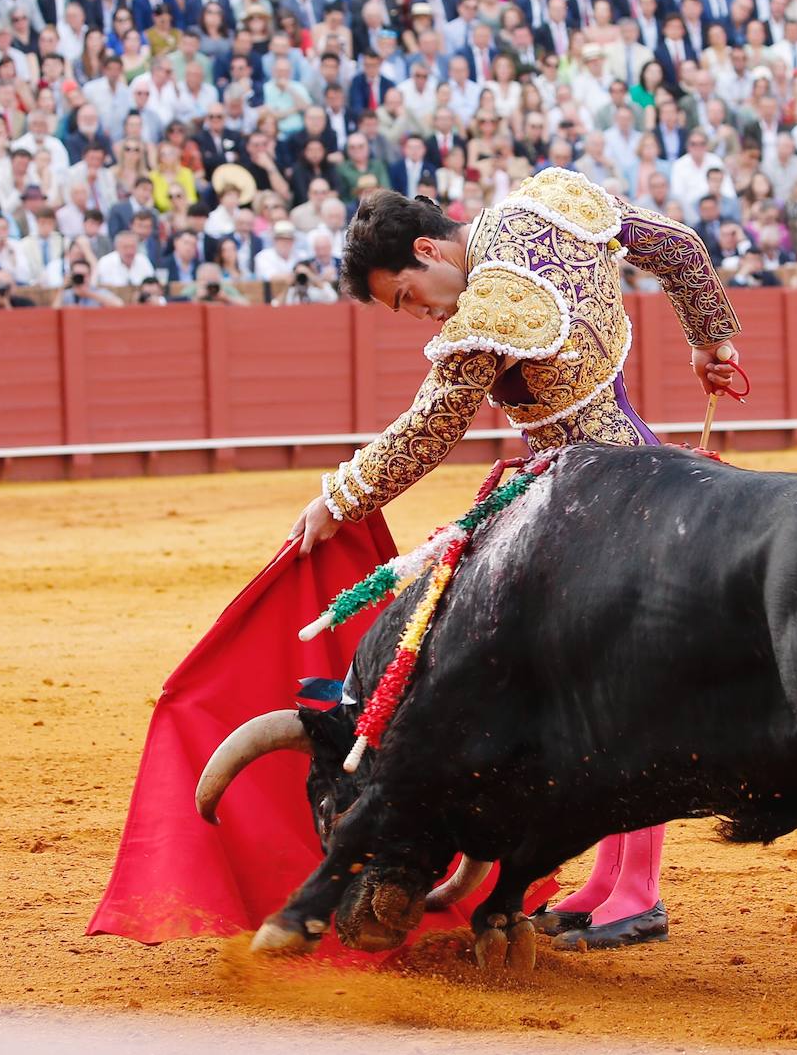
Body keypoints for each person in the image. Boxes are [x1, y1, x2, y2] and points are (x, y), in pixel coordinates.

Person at [287, 171, 744, 951]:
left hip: (596, 510)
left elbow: (432, 426)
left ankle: (637, 891)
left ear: (429, 249)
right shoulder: (546, 204)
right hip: (631, 474)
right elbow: (678, 247)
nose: (420, 314)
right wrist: (711, 338)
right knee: (599, 696)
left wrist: (340, 496)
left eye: (406, 296)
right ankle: (607, 882)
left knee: (617, 699)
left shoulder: (491, 302)